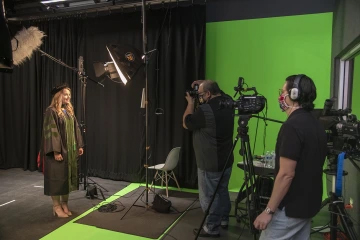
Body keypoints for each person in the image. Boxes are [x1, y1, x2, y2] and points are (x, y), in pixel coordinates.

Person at [253, 74, 327, 239]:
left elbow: (286, 174)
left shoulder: (292, 126)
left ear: (294, 94)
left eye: (283, 91)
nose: (281, 96)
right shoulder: (316, 123)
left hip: (289, 209)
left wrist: (268, 211)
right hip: (308, 205)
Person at [183, 80, 234, 238]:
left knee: (209, 197)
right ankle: (224, 220)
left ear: (208, 94)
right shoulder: (229, 102)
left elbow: (187, 123)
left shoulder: (205, 110)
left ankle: (212, 227)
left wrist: (190, 103)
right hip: (226, 160)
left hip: (210, 162)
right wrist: (205, 83)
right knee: (222, 191)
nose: (199, 97)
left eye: (200, 95)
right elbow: (220, 92)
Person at [40, 83, 84, 218]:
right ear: (58, 95)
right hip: (58, 153)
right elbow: (52, 132)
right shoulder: (51, 111)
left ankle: (65, 204)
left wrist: (79, 145)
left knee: (66, 179)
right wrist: (56, 151)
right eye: (65, 94)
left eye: (69, 95)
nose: (68, 97)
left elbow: (76, 128)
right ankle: (56, 206)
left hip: (70, 151)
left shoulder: (68, 111)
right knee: (57, 179)